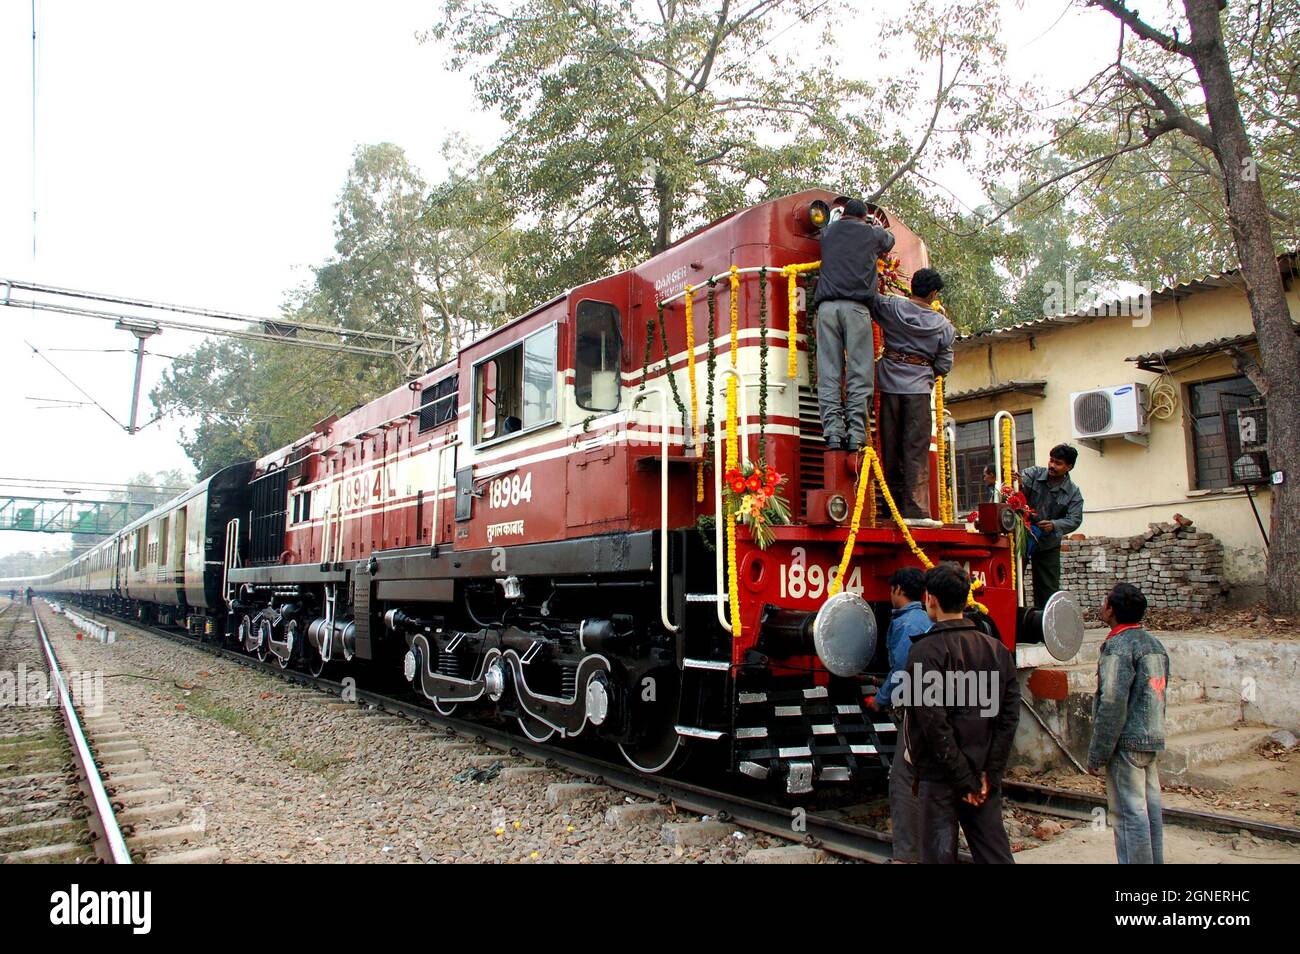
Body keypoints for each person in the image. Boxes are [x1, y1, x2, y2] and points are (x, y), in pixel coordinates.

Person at [900, 562, 1020, 864]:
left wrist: (963, 778)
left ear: (931, 599)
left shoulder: (924, 653)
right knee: (995, 854)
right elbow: (1008, 718)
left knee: (939, 856)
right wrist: (988, 775)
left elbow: (932, 724)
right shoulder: (997, 650)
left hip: (940, 777)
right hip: (982, 777)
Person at [1087, 582, 1168, 864]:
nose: (1101, 606)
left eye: (1104, 602)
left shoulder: (1117, 647)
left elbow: (1112, 703)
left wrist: (1098, 753)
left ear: (1111, 610)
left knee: (1128, 814)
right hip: (1151, 737)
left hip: (1126, 743)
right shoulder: (1154, 644)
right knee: (1150, 811)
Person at [872, 268, 954, 525]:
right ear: (933, 294)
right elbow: (944, 365)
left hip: (889, 386)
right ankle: (915, 511)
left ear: (912, 287)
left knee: (890, 447)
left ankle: (890, 507)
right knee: (916, 450)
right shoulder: (943, 326)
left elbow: (870, 301)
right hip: (918, 390)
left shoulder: (891, 307)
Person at [813, 198, 895, 452]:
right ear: (863, 218)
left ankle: (833, 433)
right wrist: (872, 226)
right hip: (857, 309)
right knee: (859, 373)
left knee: (829, 372)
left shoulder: (827, 233)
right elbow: (889, 241)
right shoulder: (870, 234)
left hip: (826, 310)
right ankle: (856, 434)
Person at [868, 566, 930, 863]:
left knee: (903, 780)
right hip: (942, 707)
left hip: (919, 711)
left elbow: (904, 669)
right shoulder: (925, 619)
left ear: (898, 591)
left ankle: (908, 854)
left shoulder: (907, 624)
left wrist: (880, 699)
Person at [1018, 444, 1084, 608]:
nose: (1052, 466)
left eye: (1058, 463)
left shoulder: (1073, 492)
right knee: (1015, 580)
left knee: (1047, 588)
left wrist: (1054, 525)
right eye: (1051, 461)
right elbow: (1017, 487)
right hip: (1022, 538)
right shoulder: (1033, 474)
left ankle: (1043, 625)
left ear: (1069, 467)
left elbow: (1075, 519)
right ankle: (1019, 619)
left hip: (1048, 544)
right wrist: (1017, 483)